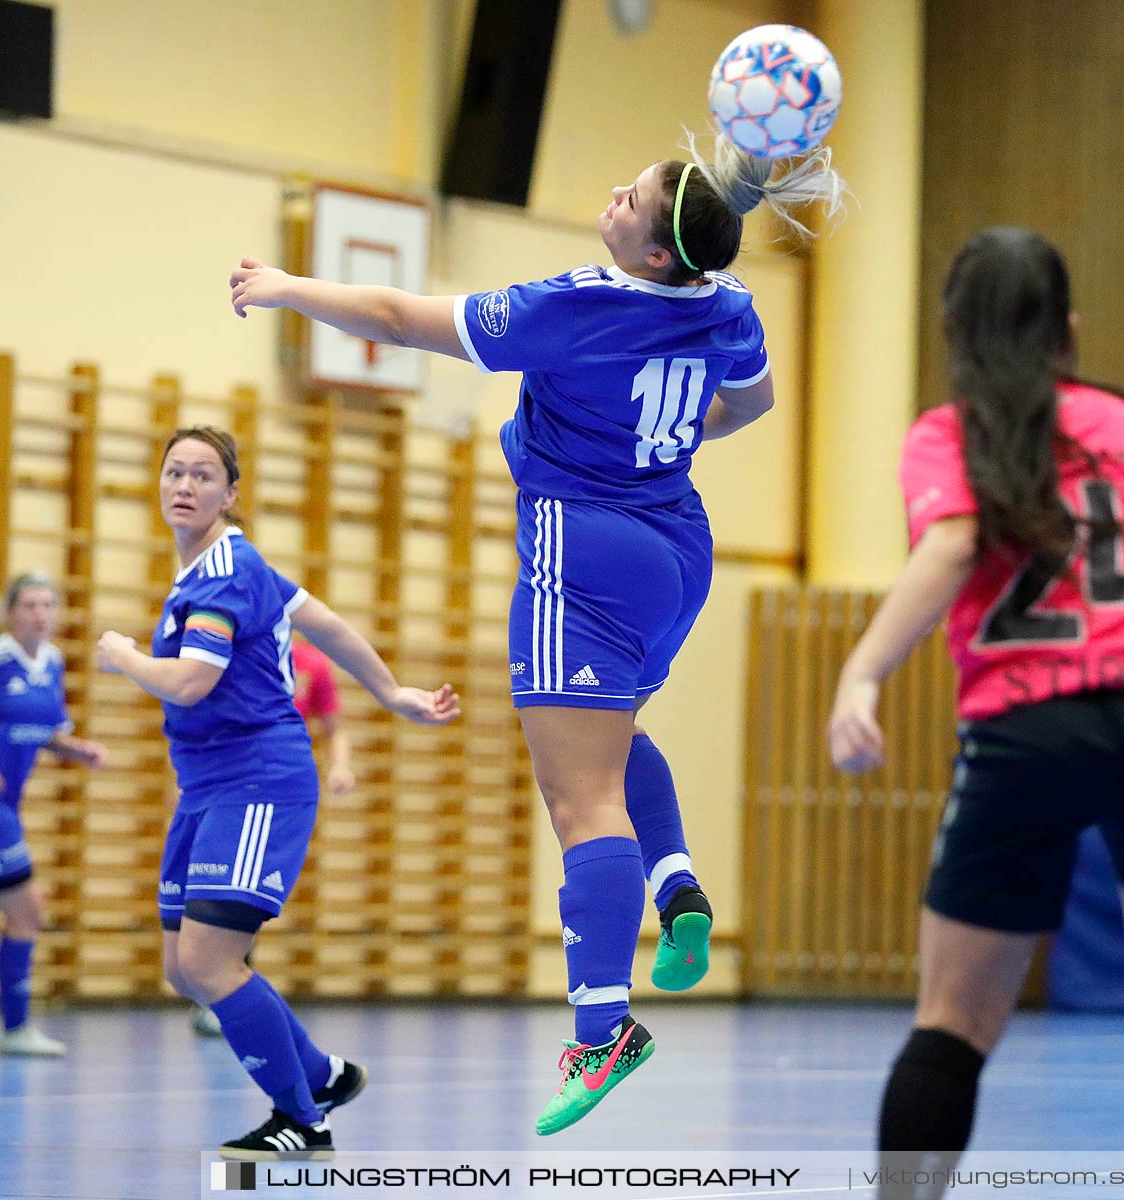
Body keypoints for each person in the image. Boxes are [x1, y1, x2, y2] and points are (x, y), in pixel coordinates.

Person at [228, 132, 843, 1134]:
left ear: (652, 250)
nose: (614, 189)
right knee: (615, 743)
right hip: (678, 546)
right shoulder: (729, 304)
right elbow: (753, 402)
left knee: (578, 792)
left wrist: (289, 282)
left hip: (583, 547)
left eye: (631, 193)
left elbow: (393, 315)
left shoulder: (577, 304)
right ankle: (676, 883)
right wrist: (676, 434)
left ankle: (603, 1033)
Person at [827, 228, 1124, 1200]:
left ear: (954, 329)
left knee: (953, 1020)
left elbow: (948, 543)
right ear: (1069, 327)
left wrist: (862, 672)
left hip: (1031, 725)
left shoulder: (952, 431)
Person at [96, 426, 459, 1159]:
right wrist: (389, 690)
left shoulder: (224, 568)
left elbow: (193, 682)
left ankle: (302, 1120)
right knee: (183, 965)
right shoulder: (218, 566)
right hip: (204, 785)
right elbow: (322, 621)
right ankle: (321, 1076)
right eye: (174, 472)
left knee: (207, 963)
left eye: (203, 475)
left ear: (231, 494)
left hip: (256, 780)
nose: (185, 485)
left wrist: (126, 656)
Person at [0, 573, 107, 1057]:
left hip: (4, 805)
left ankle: (16, 1028)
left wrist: (78, 750)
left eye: (48, 605)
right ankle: (17, 1029)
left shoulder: (53, 664)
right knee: (27, 908)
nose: (39, 614)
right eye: (29, 605)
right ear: (10, 611)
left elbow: (44, 731)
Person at [190, 634, 355, 1038]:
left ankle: (226, 993)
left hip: (275, 791)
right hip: (226, 784)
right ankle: (217, 989)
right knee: (215, 888)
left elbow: (335, 727)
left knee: (248, 894)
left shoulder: (312, 664)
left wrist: (340, 766)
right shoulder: (234, 652)